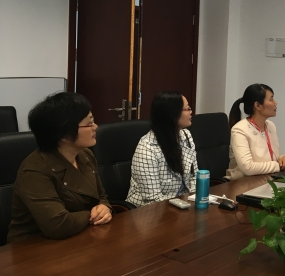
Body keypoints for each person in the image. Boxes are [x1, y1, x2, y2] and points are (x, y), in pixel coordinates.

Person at [8, 92, 112, 242]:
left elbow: (101, 196)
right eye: (89, 123)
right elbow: (57, 224)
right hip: (34, 246)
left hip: (80, 235)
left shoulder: (85, 155)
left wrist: (104, 208)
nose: (95, 127)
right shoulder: (34, 170)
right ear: (63, 135)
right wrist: (91, 214)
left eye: (93, 121)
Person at [126, 92, 197, 207]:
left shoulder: (186, 136)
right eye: (187, 108)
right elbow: (152, 199)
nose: (191, 111)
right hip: (148, 212)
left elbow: (194, 177)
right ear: (172, 114)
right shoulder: (147, 148)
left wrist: (196, 199)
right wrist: (184, 205)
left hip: (181, 204)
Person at [227, 84, 285, 181]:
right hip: (241, 183)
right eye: (271, 99)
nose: (275, 103)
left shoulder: (270, 126)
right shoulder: (239, 130)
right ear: (257, 105)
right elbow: (248, 168)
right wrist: (278, 166)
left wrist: (284, 158)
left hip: (265, 178)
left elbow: (269, 158)